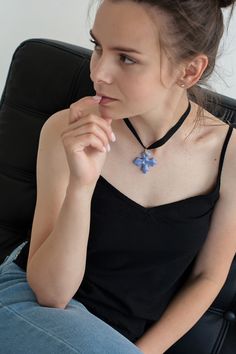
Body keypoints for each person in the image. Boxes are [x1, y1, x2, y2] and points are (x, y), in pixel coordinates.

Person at [0, 0, 236, 353]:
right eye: (98, 47)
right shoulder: (65, 130)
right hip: (30, 307)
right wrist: (82, 185)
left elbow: (207, 277)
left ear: (188, 71)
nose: (99, 73)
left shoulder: (230, 156)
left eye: (126, 58)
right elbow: (51, 293)